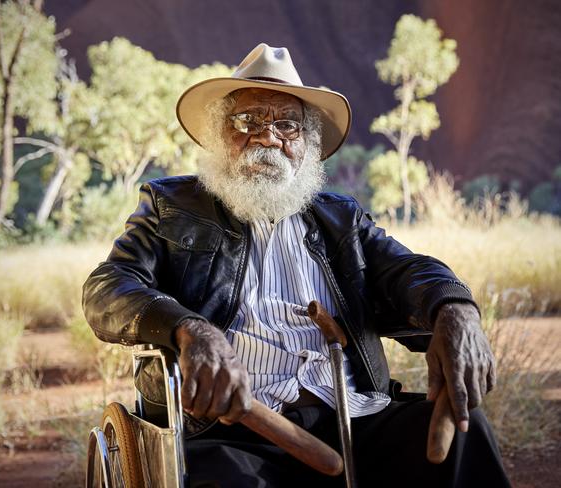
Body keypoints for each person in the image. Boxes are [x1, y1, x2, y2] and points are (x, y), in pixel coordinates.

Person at [82, 43, 510, 487]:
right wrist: (190, 328)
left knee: (466, 435)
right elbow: (107, 285)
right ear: (217, 135)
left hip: (352, 417)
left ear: (306, 145)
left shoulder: (341, 219)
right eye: (247, 121)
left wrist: (454, 308)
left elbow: (408, 270)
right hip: (232, 431)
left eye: (286, 125)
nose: (267, 138)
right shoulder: (170, 206)